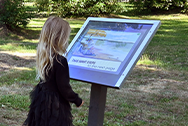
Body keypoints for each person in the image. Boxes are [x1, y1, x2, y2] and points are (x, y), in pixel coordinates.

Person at [23, 16, 84, 126]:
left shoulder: (44, 56)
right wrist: (77, 100)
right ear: (61, 38)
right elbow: (64, 88)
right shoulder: (61, 61)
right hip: (55, 104)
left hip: (41, 100)